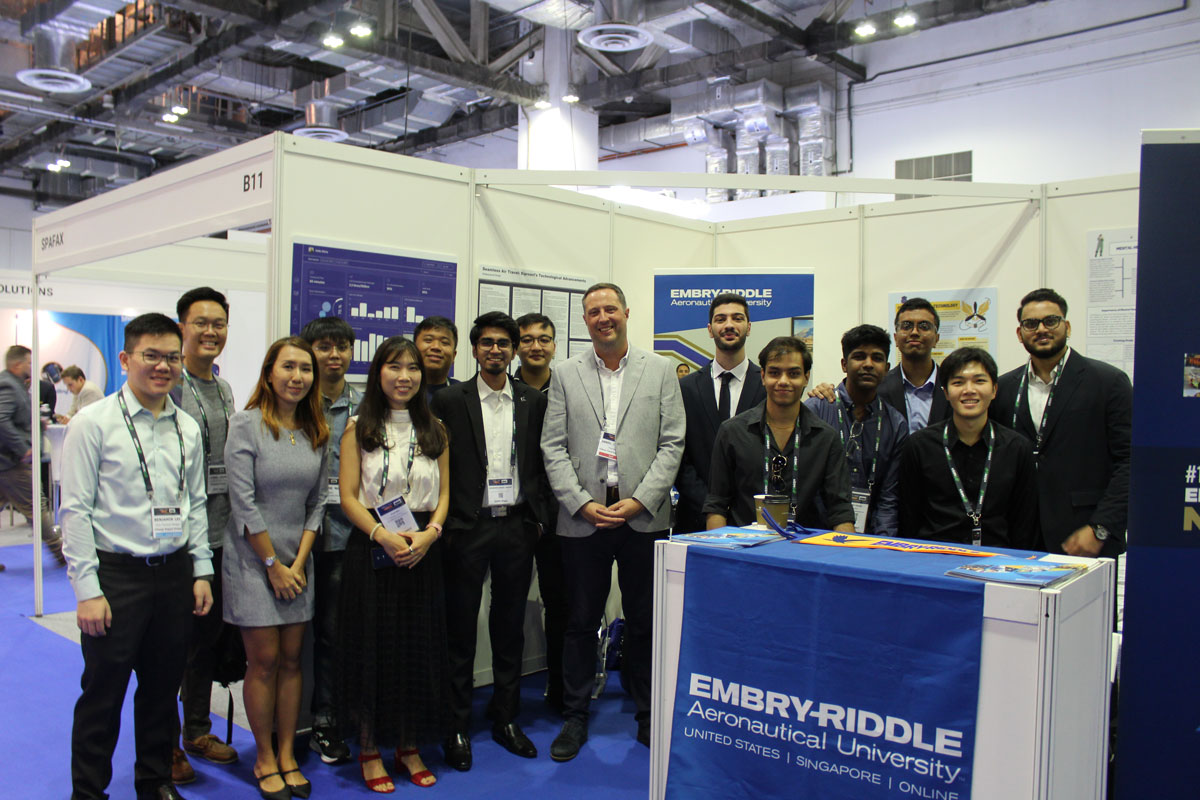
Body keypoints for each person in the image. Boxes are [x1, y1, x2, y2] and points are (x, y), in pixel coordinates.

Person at [61, 313, 213, 800]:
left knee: (161, 690)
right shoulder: (92, 423)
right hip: (116, 576)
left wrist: (202, 570)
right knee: (102, 695)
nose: (163, 366)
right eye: (152, 355)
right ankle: (88, 791)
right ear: (126, 359)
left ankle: (155, 781)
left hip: (173, 574)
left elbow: (195, 504)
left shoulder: (187, 426)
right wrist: (88, 591)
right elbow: (75, 512)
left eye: (171, 356)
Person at [540, 282, 685, 760]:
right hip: (584, 519)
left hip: (643, 518)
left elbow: (672, 443)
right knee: (580, 621)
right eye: (593, 312)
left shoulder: (661, 370)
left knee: (645, 621)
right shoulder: (564, 373)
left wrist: (642, 500)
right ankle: (575, 716)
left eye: (610, 309)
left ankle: (647, 714)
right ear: (584, 321)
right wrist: (579, 502)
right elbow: (553, 446)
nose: (603, 318)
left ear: (626, 312)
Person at [431, 312, 553, 770]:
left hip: (517, 527)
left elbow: (541, 464)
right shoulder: (448, 400)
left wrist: (537, 520)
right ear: (475, 349)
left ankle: (506, 719)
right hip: (468, 527)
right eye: (487, 343)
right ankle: (456, 725)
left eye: (504, 343)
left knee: (509, 630)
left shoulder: (531, 400)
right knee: (460, 631)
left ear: (515, 348)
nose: (496, 350)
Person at [336, 336, 451, 792]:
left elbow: (444, 495)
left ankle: (408, 746)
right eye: (394, 366)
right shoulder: (357, 426)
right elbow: (347, 496)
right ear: (378, 372)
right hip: (372, 546)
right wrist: (381, 535)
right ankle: (369, 749)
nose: (404, 376)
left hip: (422, 550)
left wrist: (430, 534)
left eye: (413, 368)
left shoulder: (436, 427)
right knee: (372, 649)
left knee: (415, 650)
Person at [223, 337, 329, 800]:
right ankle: (264, 757)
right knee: (263, 662)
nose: (297, 377)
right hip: (252, 562)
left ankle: (287, 752)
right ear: (269, 373)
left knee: (292, 661)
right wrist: (273, 566)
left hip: (298, 563)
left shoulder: (315, 430)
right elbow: (243, 503)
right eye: (288, 367)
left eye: (305, 369)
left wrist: (297, 564)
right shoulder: (245, 425)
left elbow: (318, 502)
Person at [991, 288, 1131, 556]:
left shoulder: (1108, 382)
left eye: (1051, 321)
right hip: (1019, 540)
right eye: (1031, 324)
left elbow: (1128, 462)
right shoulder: (1005, 388)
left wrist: (1101, 527)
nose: (1041, 329)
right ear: (1020, 334)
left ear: (1067, 326)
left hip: (1085, 537)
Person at [169, 287, 238, 782]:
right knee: (170, 645)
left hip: (221, 534)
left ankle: (196, 728)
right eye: (200, 323)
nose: (210, 331)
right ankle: (163, 742)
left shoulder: (226, 388)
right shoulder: (169, 386)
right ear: (181, 328)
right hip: (176, 538)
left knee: (204, 641)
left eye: (218, 323)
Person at [704, 336, 856, 532]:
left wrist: (847, 557)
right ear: (763, 376)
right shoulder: (732, 432)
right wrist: (720, 557)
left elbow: (840, 511)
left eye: (793, 373)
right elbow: (716, 506)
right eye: (775, 373)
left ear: (806, 378)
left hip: (804, 552)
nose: (783, 381)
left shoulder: (826, 438)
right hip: (745, 553)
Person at [899, 347, 1039, 549]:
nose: (969, 390)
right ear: (946, 392)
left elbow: (1025, 524)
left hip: (999, 562)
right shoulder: (919, 446)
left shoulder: (1017, 449)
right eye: (958, 382)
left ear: (994, 390)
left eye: (979, 381)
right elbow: (909, 518)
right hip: (934, 559)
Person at [300, 316, 360, 766]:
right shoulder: (294, 402)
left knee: (338, 635)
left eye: (342, 346)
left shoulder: (364, 407)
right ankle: (312, 721)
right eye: (324, 347)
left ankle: (335, 717)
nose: (334, 355)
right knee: (304, 639)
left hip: (348, 537)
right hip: (297, 541)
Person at [511, 312, 567, 714]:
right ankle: (506, 696)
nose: (535, 346)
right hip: (513, 516)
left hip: (560, 515)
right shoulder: (500, 389)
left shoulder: (568, 388)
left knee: (561, 605)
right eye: (527, 339)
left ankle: (561, 687)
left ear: (554, 345)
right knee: (508, 609)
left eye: (543, 339)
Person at [804, 325, 908, 536]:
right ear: (844, 364)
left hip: (869, 539)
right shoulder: (816, 410)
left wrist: (882, 546)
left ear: (887, 368)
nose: (868, 364)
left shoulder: (895, 424)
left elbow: (889, 496)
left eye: (877, 358)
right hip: (814, 534)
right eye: (859, 356)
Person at [676, 293, 766, 533]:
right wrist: (710, 507)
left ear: (748, 327)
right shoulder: (686, 388)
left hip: (753, 521)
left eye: (737, 318)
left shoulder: (768, 386)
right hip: (695, 519)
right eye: (720, 319)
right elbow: (678, 457)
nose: (728, 325)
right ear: (709, 328)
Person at [0, 344, 64, 564]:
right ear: (17, 364)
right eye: (28, 362)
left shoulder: (15, 385)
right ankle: (62, 553)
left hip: (7, 462)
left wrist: (37, 423)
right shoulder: (8, 385)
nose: (31, 366)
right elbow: (1, 419)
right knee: (38, 507)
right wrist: (22, 448)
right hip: (12, 462)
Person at [880, 297, 950, 433]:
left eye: (924, 326)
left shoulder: (953, 386)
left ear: (937, 338)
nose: (914, 332)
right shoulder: (879, 387)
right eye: (906, 326)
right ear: (895, 338)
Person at [414, 316, 459, 400]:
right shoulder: (402, 390)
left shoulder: (463, 394)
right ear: (414, 349)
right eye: (428, 340)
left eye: (444, 342)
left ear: (453, 356)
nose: (436, 347)